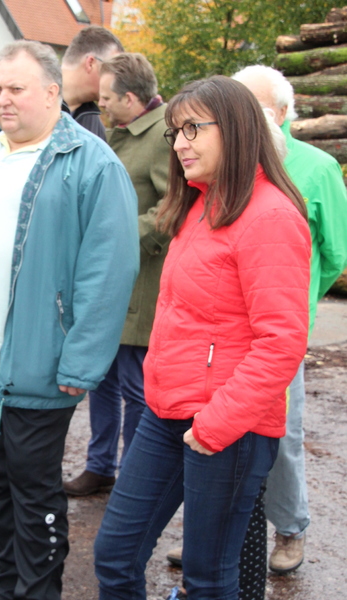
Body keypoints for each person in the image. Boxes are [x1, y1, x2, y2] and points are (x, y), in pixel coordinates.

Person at [94, 75, 311, 600]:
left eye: (193, 128)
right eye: (175, 132)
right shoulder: (200, 203)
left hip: (226, 429)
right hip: (167, 412)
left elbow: (281, 341)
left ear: (235, 130)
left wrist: (215, 424)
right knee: (115, 553)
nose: (180, 142)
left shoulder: (271, 216)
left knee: (208, 578)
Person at [0, 40, 139, 600]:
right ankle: (7, 586)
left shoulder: (93, 163)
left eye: (15, 89)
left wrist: (82, 358)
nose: (2, 99)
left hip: (42, 357)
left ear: (52, 92)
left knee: (32, 486)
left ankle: (39, 590)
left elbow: (110, 267)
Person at [233, 64, 347, 574]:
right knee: (216, 430)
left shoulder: (318, 167)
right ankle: (221, 532)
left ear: (281, 113)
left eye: (251, 104)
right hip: (223, 327)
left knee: (281, 436)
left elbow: (336, 252)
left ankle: (290, 529)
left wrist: (298, 300)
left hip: (278, 333)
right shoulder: (224, 162)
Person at [64, 52, 170, 496]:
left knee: (135, 388)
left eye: (107, 98)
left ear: (130, 98)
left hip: (140, 284)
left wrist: (121, 234)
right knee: (101, 381)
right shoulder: (120, 130)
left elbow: (171, 208)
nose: (99, 106)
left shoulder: (163, 136)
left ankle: (135, 478)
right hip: (110, 282)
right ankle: (100, 465)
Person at [61, 25, 123, 140]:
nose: (116, 80)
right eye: (113, 70)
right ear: (90, 63)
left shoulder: (95, 127)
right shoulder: (33, 97)